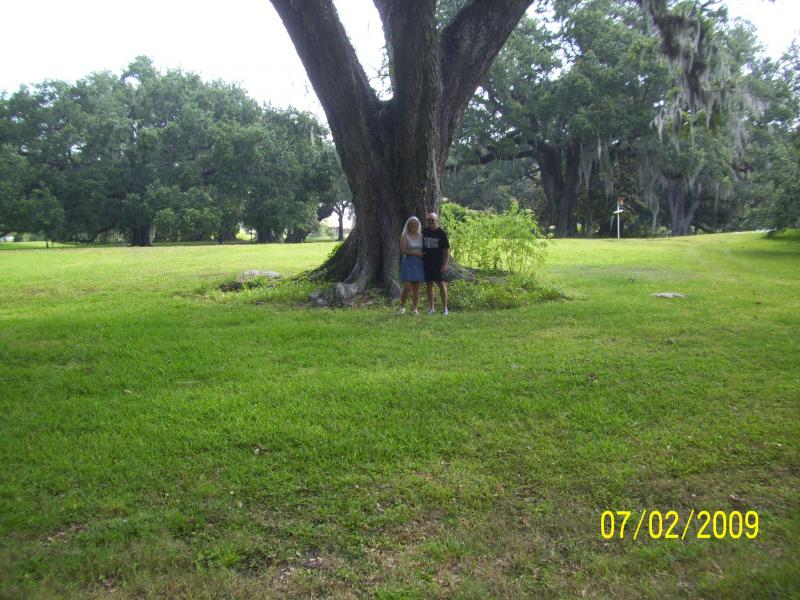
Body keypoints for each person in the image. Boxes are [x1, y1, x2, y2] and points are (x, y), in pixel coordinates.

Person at [422, 212, 450, 315]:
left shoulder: (441, 233)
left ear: (437, 221)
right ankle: (431, 308)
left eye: (432, 220)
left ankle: (445, 308)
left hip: (438, 263)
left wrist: (445, 264)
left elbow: (447, 250)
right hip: (427, 263)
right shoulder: (424, 232)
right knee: (429, 285)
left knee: (441, 284)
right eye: (428, 220)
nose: (430, 222)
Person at [398, 216, 425, 314]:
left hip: (419, 263)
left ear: (418, 225)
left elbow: (424, 249)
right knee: (407, 287)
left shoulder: (422, 236)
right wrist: (415, 253)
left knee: (416, 287)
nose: (413, 225)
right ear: (408, 225)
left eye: (415, 223)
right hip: (408, 263)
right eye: (411, 223)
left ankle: (414, 308)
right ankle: (402, 306)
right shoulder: (405, 236)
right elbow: (403, 250)